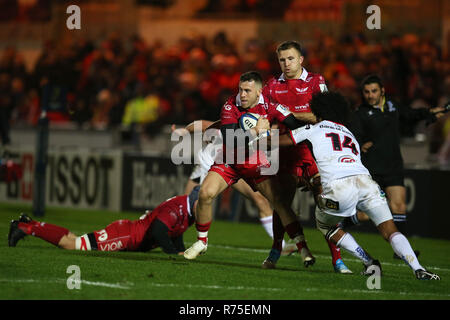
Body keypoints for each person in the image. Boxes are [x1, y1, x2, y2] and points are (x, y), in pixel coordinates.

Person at [280, 91, 440, 280]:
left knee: (326, 226)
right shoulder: (348, 132)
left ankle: (369, 262)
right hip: (366, 182)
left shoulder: (312, 128)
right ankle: (418, 268)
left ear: (318, 111)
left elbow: (276, 142)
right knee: (390, 230)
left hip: (339, 187)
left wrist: (255, 133)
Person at [183, 71, 316, 267]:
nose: (242, 95)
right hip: (228, 161)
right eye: (240, 90)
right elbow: (229, 138)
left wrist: (309, 125)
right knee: (205, 194)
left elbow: (294, 125)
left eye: (247, 91)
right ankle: (202, 241)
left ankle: (303, 247)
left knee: (279, 202)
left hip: (254, 162)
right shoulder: (230, 105)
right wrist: (255, 131)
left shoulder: (270, 105)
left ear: (259, 92)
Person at [261, 40, 351, 273]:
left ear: (301, 59)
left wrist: (289, 115)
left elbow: (324, 116)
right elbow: (265, 117)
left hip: (314, 151)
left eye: (290, 58)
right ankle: (275, 249)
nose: (286, 64)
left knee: (326, 203)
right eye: (282, 59)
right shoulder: (271, 86)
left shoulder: (316, 81)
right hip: (285, 151)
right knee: (281, 203)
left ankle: (337, 259)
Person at [348, 74, 447, 258]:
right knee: (365, 215)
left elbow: (412, 114)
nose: (370, 95)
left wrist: (431, 112)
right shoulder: (359, 113)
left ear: (382, 91)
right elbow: (353, 136)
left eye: (374, 91)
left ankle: (400, 250)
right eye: (367, 92)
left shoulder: (393, 107)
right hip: (372, 170)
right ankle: (343, 223)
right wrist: (360, 143)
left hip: (393, 166)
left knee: (399, 206)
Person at [172, 120, 297, 254]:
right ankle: (170, 236)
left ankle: (281, 246)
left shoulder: (264, 138)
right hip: (207, 165)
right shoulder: (235, 125)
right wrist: (185, 130)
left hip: (233, 168)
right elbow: (202, 124)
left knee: (260, 200)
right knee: (189, 207)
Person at [8, 186, 201, 255]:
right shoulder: (176, 208)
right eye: (203, 203)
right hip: (125, 236)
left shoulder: (189, 211)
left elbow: (176, 231)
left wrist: (180, 250)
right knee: (71, 244)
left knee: (73, 239)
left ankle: (30, 223)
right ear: (194, 201)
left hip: (130, 236)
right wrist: (172, 254)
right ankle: (24, 228)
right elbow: (159, 231)